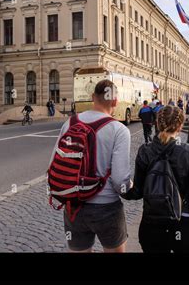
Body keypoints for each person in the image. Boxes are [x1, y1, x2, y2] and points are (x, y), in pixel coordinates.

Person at [50, 79, 132, 253]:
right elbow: (119, 181)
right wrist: (131, 187)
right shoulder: (119, 130)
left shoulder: (70, 123)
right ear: (115, 101)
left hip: (74, 206)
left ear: (93, 97)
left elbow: (53, 164)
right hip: (107, 207)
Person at [122, 105, 189, 253]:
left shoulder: (145, 151)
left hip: (151, 227)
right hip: (183, 224)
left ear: (157, 123)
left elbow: (136, 193)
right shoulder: (188, 151)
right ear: (179, 126)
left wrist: (122, 188)